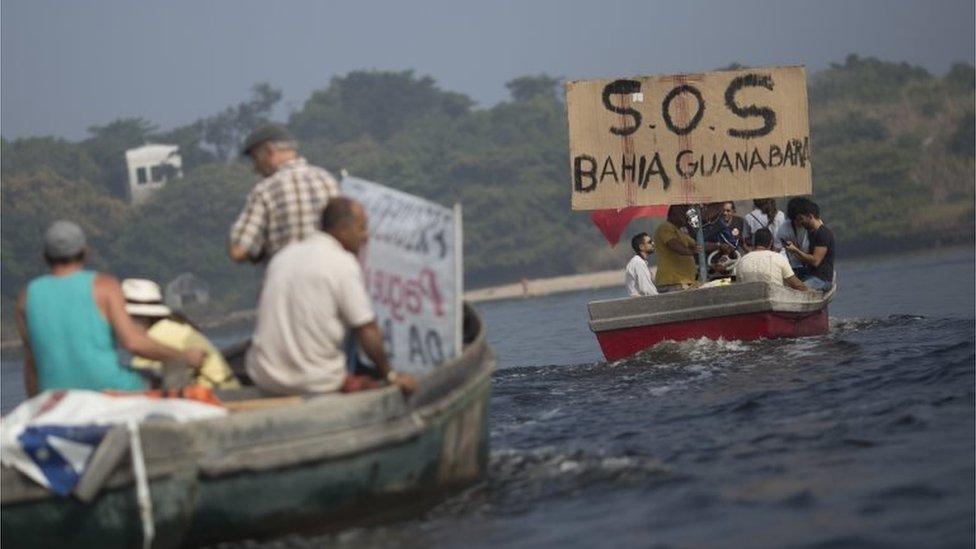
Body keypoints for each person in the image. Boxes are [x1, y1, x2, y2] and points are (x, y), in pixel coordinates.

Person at [246, 197, 418, 396]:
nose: (365, 236)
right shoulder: (341, 262)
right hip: (315, 383)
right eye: (361, 228)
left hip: (266, 379)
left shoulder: (282, 257)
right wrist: (390, 376)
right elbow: (366, 329)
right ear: (343, 229)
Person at [14, 221, 207, 396]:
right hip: (108, 388)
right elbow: (133, 343)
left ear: (45, 257)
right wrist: (185, 356)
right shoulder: (104, 286)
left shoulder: (26, 297)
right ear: (85, 252)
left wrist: (36, 406)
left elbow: (31, 363)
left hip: (55, 395)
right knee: (163, 377)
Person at [229, 123, 341, 264]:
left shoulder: (265, 190)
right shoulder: (328, 181)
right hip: (331, 274)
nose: (255, 168)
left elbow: (238, 251)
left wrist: (261, 248)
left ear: (270, 151)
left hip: (288, 278)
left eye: (256, 159)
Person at [123, 278, 240, 390]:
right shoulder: (172, 327)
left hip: (215, 397)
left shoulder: (157, 336)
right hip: (228, 390)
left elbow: (137, 378)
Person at [783, 200, 835, 291]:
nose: (800, 223)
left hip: (821, 280)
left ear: (810, 216)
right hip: (810, 274)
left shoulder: (823, 234)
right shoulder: (812, 233)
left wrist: (796, 250)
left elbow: (815, 261)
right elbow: (806, 259)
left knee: (795, 290)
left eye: (801, 219)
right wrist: (793, 250)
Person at [735, 228, 809, 291]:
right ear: (771, 243)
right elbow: (798, 286)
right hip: (777, 304)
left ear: (754, 243)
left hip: (749, 305)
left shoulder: (742, 261)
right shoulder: (778, 258)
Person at [652, 205, 701, 292]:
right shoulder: (665, 227)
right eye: (683, 213)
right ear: (675, 213)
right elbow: (675, 246)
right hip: (672, 282)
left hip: (684, 281)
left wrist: (718, 245)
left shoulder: (680, 231)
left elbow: (698, 245)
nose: (686, 216)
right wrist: (692, 251)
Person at [777, 197, 813, 278]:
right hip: (793, 269)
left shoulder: (813, 226)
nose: (800, 222)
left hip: (812, 266)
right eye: (796, 220)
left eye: (801, 219)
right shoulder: (784, 229)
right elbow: (779, 252)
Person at [626, 232, 658, 297]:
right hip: (643, 303)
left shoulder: (639, 261)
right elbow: (646, 289)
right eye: (649, 242)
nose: (653, 243)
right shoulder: (638, 263)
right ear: (641, 247)